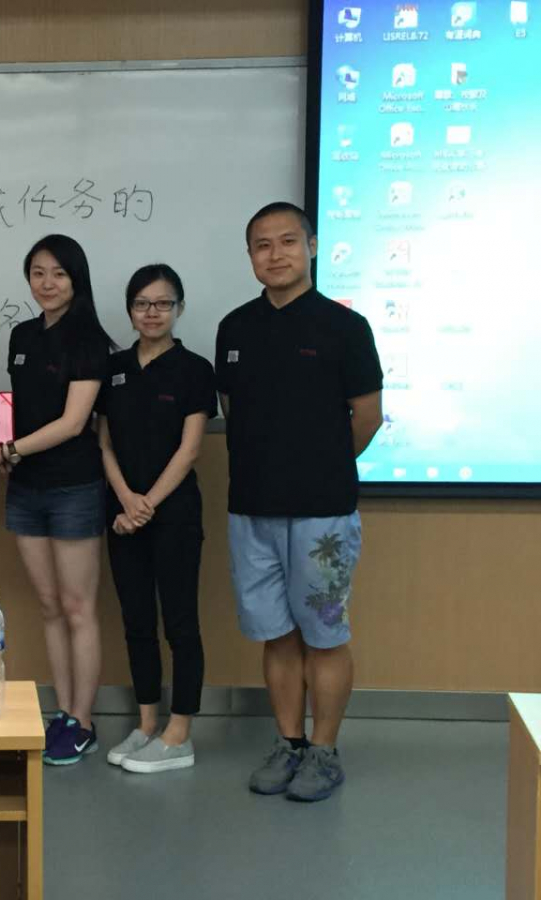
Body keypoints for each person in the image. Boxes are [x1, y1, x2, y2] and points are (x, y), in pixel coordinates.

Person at [216, 202, 382, 802]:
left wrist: (321, 466)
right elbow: (233, 410)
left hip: (322, 513)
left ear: (311, 246)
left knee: (325, 634)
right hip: (251, 508)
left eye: (288, 241)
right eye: (262, 244)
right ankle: (288, 743)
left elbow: (367, 417)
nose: (276, 254)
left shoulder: (346, 327)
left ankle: (324, 751)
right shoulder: (234, 328)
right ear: (250, 256)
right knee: (276, 633)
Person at [0, 234, 112, 766]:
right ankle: (63, 712)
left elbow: (73, 423)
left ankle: (84, 721)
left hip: (74, 486)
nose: (47, 284)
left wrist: (6, 449)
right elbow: (24, 409)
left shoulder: (91, 339)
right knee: (49, 606)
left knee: (77, 607)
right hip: (26, 487)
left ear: (77, 279)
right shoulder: (22, 335)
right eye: (38, 273)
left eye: (59, 274)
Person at [97, 264, 216, 774]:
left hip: (175, 515)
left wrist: (145, 505)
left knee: (181, 623)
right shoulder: (114, 368)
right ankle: (147, 723)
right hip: (122, 515)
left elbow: (190, 450)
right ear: (130, 310)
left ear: (179, 309)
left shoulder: (195, 369)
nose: (152, 312)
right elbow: (104, 442)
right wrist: (126, 499)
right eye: (142, 303)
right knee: (137, 622)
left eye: (163, 303)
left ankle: (179, 731)